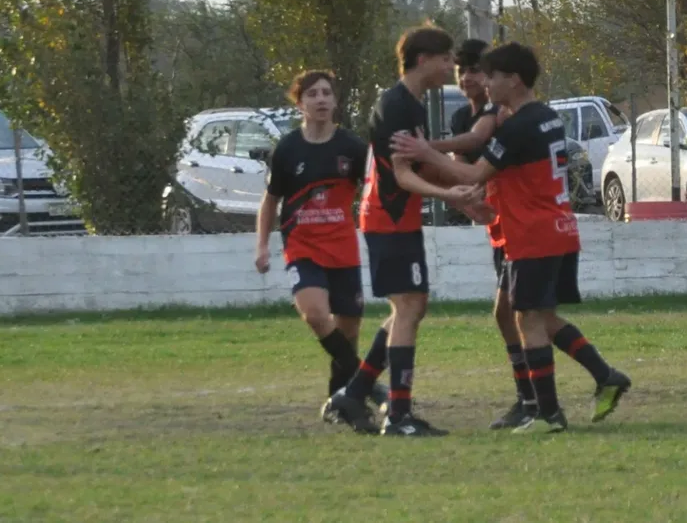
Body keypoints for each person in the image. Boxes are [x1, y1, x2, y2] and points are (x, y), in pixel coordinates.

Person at [392, 42, 631, 434]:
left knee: (528, 319)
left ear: (514, 80)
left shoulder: (520, 126)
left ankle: (547, 413)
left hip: (532, 233)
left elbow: (474, 174)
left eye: (492, 76)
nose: (486, 83)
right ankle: (602, 377)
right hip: (555, 228)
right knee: (536, 316)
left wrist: (424, 151)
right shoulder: (545, 117)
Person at [321, 26, 481, 437]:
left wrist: (458, 194)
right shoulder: (396, 106)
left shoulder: (411, 104)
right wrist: (450, 195)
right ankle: (399, 415)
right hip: (387, 218)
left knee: (411, 307)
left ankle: (354, 394)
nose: (451, 66)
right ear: (423, 60)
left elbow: (419, 166)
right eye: (445, 58)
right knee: (409, 307)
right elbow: (403, 175)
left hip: (398, 219)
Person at [254, 70, 388, 417]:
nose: (321, 99)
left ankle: (340, 403)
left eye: (327, 93)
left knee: (348, 332)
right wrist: (262, 246)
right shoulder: (288, 149)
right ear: (300, 104)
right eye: (312, 94)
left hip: (343, 247)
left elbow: (375, 188)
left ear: (335, 100)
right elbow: (270, 200)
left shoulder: (351, 147)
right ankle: (370, 386)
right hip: (303, 247)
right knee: (314, 314)